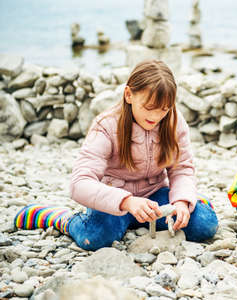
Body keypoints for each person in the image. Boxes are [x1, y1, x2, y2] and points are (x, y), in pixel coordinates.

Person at [14, 60, 218, 250]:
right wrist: (127, 202)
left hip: (155, 198)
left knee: (205, 225)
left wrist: (181, 201)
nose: (156, 117)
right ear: (129, 95)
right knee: (95, 237)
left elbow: (181, 169)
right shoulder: (106, 125)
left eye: (164, 109)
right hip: (115, 201)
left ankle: (188, 201)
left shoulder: (174, 120)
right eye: (149, 108)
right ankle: (61, 218)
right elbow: (79, 183)